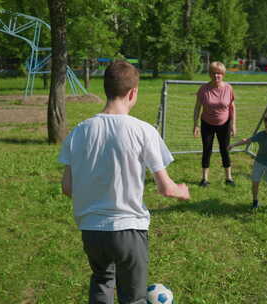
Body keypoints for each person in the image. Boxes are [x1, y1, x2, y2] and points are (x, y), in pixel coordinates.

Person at [59, 60, 190, 304]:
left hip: (91, 229)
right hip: (129, 229)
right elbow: (165, 187)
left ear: (105, 89)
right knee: (133, 298)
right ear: (133, 93)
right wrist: (181, 190)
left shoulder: (79, 131)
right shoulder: (143, 130)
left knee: (101, 281)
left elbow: (67, 188)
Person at [193, 61, 237, 187]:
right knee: (207, 150)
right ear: (210, 74)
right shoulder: (203, 89)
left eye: (219, 73)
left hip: (224, 124)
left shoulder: (228, 88)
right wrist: (195, 124)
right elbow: (197, 108)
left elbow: (232, 108)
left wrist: (233, 125)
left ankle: (228, 178)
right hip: (207, 124)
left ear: (223, 74)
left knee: (225, 150)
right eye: (213, 73)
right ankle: (204, 179)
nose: (216, 76)